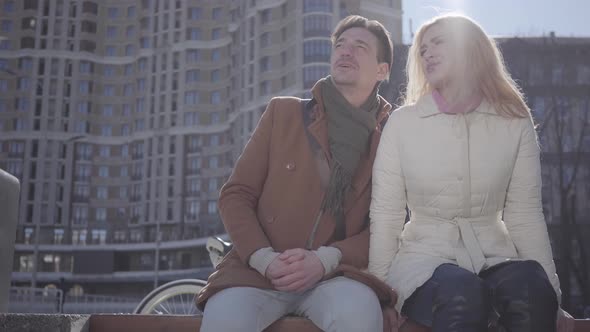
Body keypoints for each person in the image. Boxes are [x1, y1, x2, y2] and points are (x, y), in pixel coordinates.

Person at [369, 14, 573, 332]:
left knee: (531, 288)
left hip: (494, 255)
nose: (427, 52)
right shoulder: (403, 123)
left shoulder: (514, 120)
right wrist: (380, 298)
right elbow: (387, 215)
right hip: (423, 261)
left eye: (439, 42)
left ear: (471, 49)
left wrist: (553, 298)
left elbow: (524, 215)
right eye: (422, 49)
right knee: (461, 292)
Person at [197, 15, 396, 332]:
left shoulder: (391, 137)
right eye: (340, 45)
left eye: (360, 47)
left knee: (359, 315)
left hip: (336, 275)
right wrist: (265, 259)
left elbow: (389, 224)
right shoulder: (284, 113)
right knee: (225, 321)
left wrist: (324, 260)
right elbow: (236, 195)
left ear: (382, 70)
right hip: (256, 274)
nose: (345, 51)